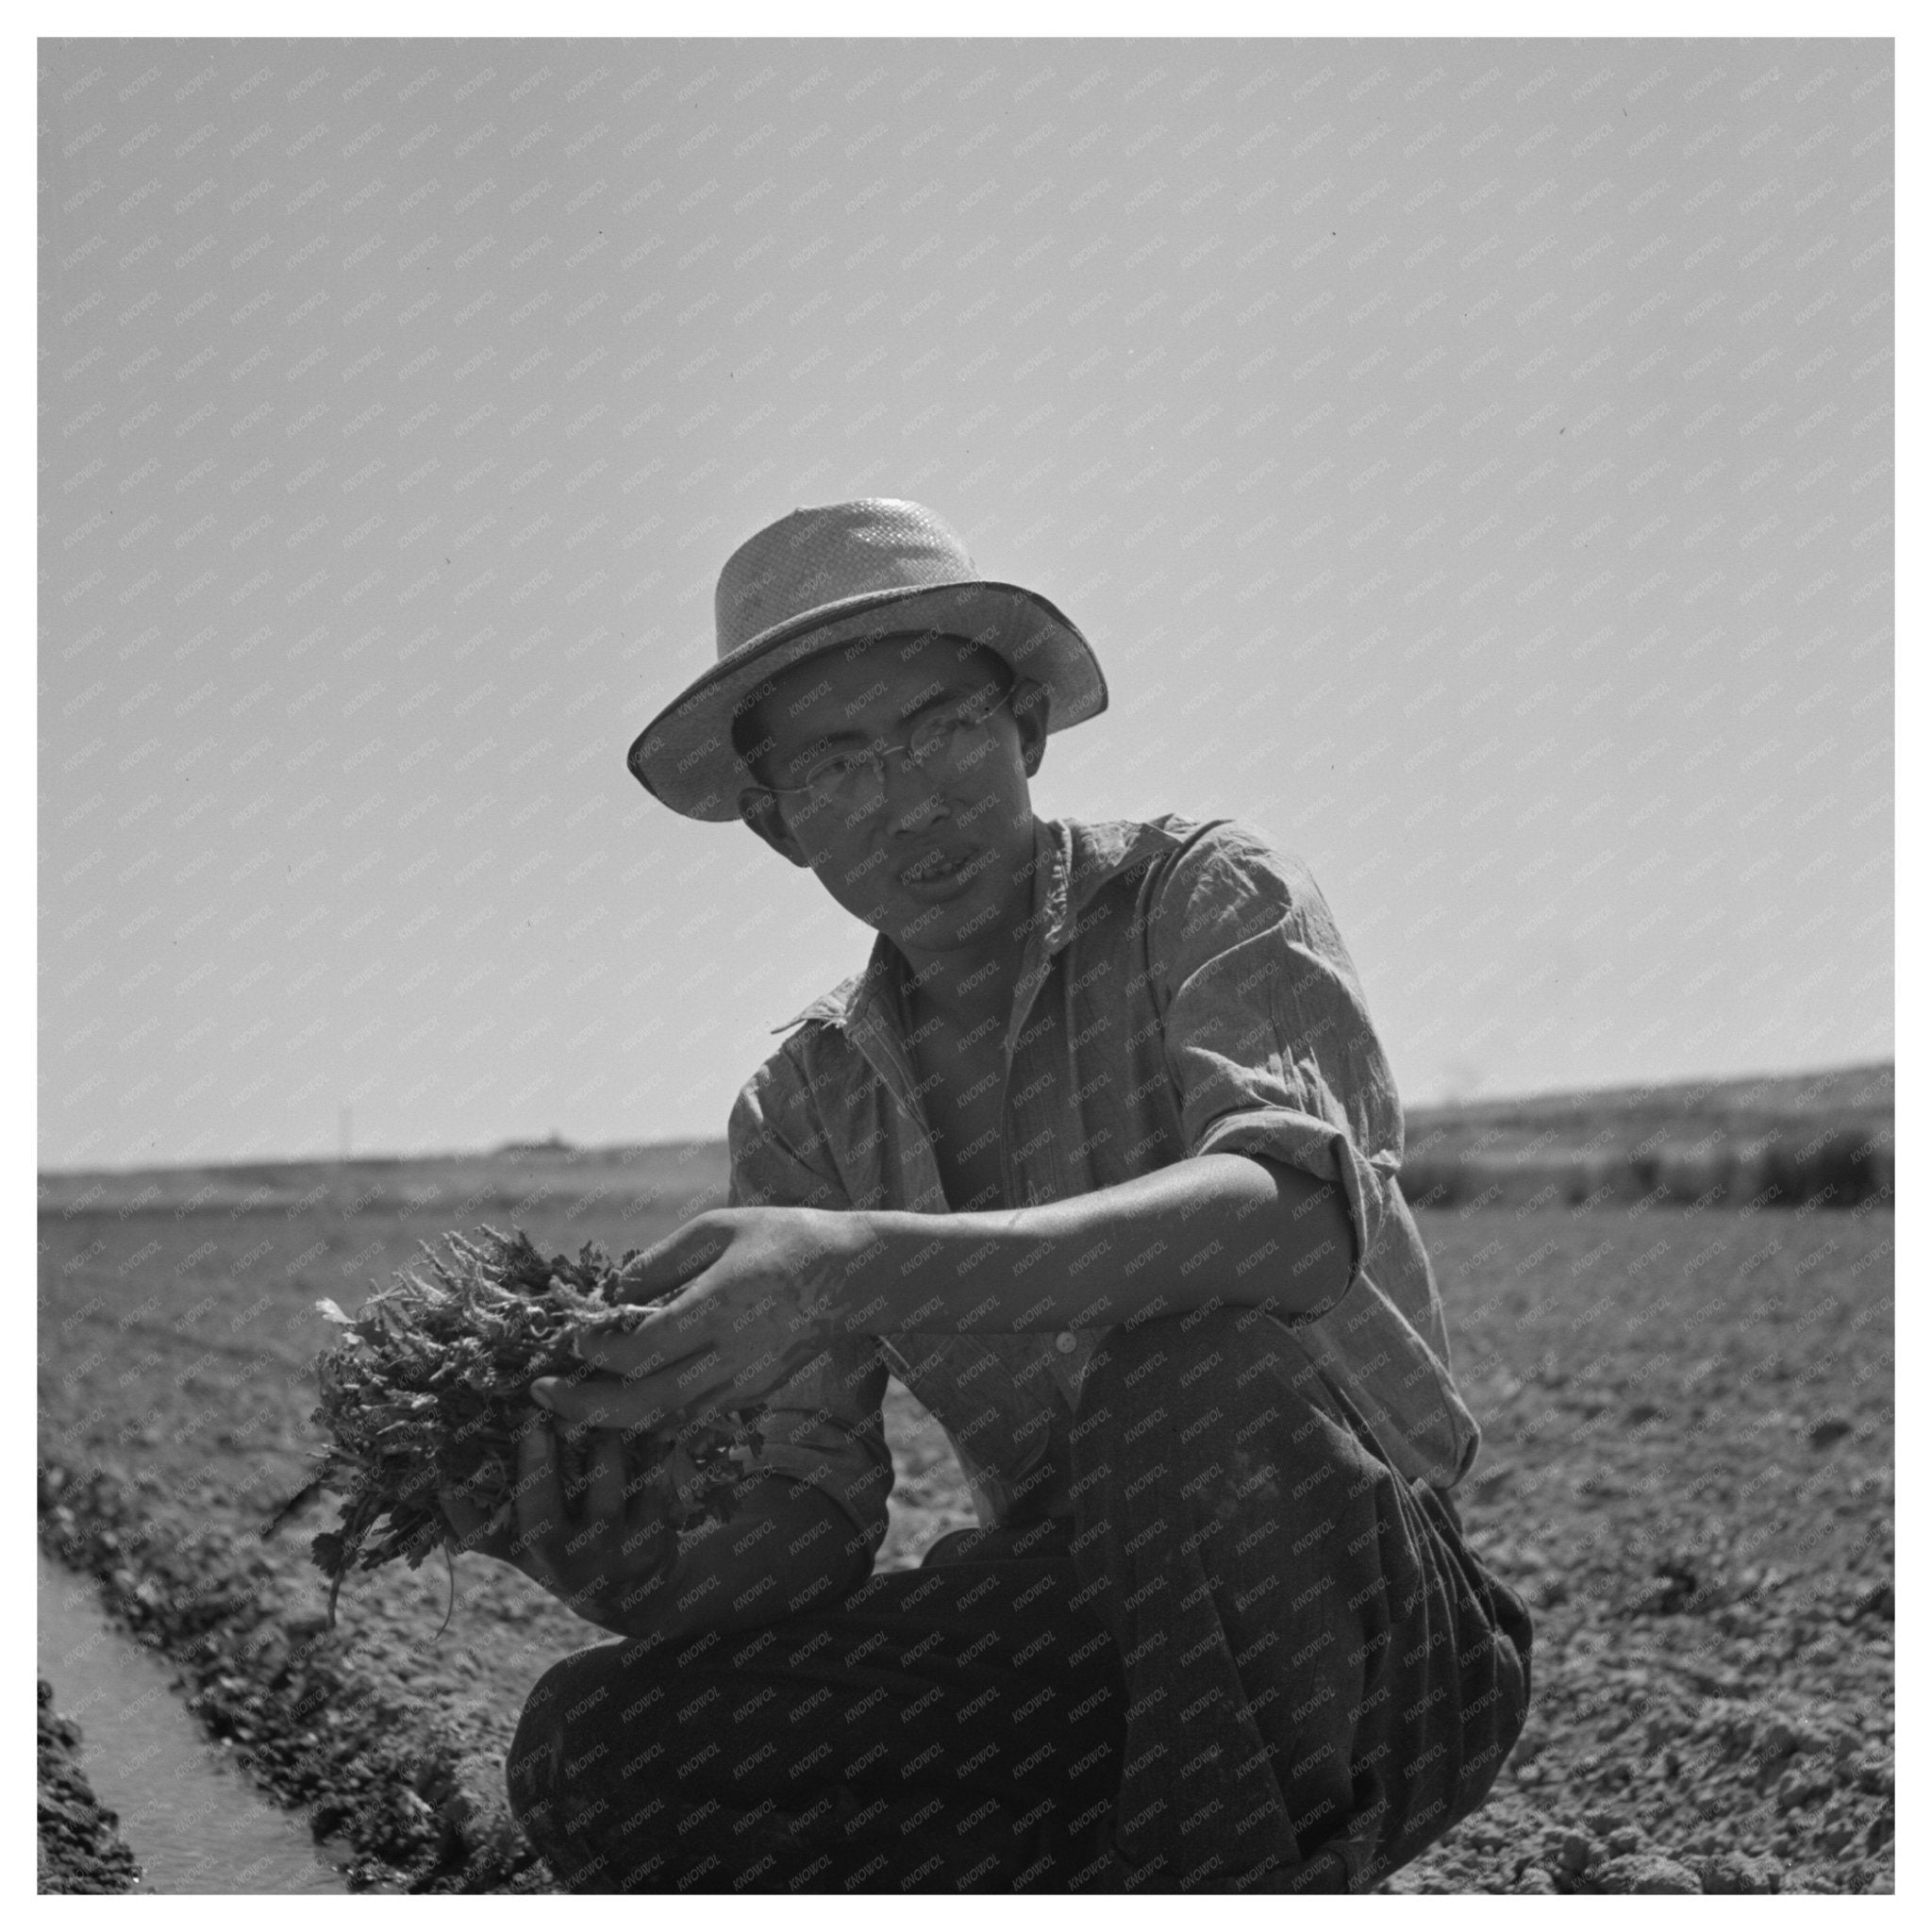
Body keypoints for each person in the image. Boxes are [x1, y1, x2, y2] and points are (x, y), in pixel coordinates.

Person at [441, 498, 1532, 1894]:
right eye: (839, 763)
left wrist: (858, 1266)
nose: (911, 797)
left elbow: (1291, 1214)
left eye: (943, 729)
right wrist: (616, 1567)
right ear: (777, 824)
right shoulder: (805, 1107)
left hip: (1366, 1634)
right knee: (601, 1746)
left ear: (1024, 732)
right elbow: (814, 1525)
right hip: (1084, 1648)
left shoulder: (1205, 893)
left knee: (1188, 1382)